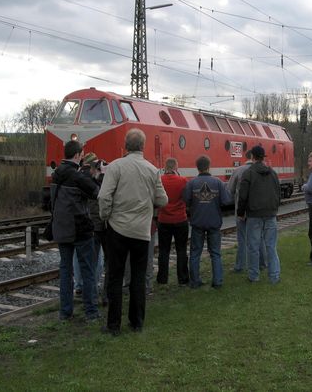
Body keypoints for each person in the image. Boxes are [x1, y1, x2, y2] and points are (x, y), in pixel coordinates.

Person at [98, 128, 168, 335]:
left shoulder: (115, 167)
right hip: (141, 232)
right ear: (143, 147)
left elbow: (103, 197)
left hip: (117, 229)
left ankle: (113, 326)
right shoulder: (152, 170)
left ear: (125, 146)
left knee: (115, 277)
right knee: (138, 277)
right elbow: (163, 200)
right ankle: (136, 322)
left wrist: (105, 216)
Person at [51, 140, 100, 322]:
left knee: (65, 270)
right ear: (79, 155)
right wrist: (95, 175)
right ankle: (91, 311)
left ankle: (65, 312)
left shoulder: (57, 173)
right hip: (80, 229)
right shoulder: (78, 177)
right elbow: (97, 193)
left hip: (61, 228)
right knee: (87, 269)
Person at [183, 155, 232, 289]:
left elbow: (186, 201)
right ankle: (217, 281)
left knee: (195, 253)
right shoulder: (218, 183)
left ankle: (195, 281)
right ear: (209, 166)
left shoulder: (191, 183)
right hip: (214, 222)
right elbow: (226, 201)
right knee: (215, 253)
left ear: (197, 167)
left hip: (197, 222)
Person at [237, 145, 281, 284]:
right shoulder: (273, 173)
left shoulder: (248, 173)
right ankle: (274, 276)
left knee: (253, 246)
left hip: (254, 214)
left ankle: (254, 276)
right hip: (270, 213)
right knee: (271, 246)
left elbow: (243, 196)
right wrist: (274, 208)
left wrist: (240, 213)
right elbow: (278, 193)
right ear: (263, 157)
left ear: (252, 157)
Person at [227, 150, 266, 272]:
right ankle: (262, 263)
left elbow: (230, 190)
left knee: (242, 239)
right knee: (259, 237)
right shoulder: (265, 170)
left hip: (241, 211)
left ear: (248, 157)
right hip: (258, 210)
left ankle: (240, 266)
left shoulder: (238, 171)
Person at [73, 153, 104, 298]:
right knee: (97, 257)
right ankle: (93, 285)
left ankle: (79, 285)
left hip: (79, 221)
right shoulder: (92, 180)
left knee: (77, 256)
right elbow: (100, 197)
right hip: (94, 223)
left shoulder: (76, 176)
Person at [157, 157, 189, 286]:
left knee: (163, 250)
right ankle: (182, 278)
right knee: (181, 249)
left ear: (165, 167)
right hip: (180, 219)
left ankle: (162, 279)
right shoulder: (182, 180)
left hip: (163, 219)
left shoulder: (160, 180)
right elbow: (186, 198)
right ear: (176, 167)